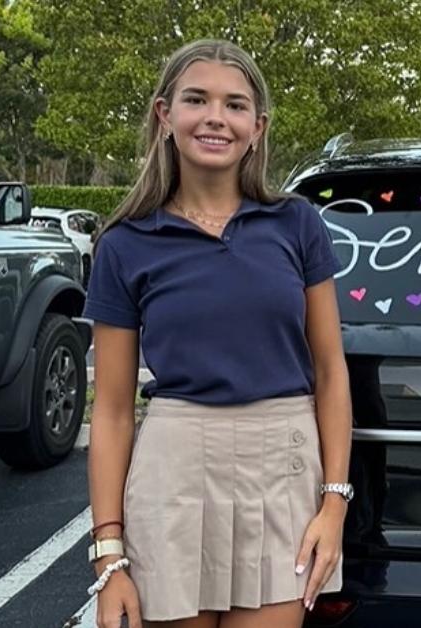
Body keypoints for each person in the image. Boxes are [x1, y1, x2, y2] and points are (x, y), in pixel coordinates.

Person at [83, 39, 353, 628]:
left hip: (283, 468)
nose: (215, 118)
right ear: (164, 116)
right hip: (173, 474)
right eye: (196, 99)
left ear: (256, 128)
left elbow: (331, 372)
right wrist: (110, 557)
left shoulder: (297, 224)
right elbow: (110, 412)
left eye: (234, 106)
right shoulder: (125, 244)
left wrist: (333, 504)